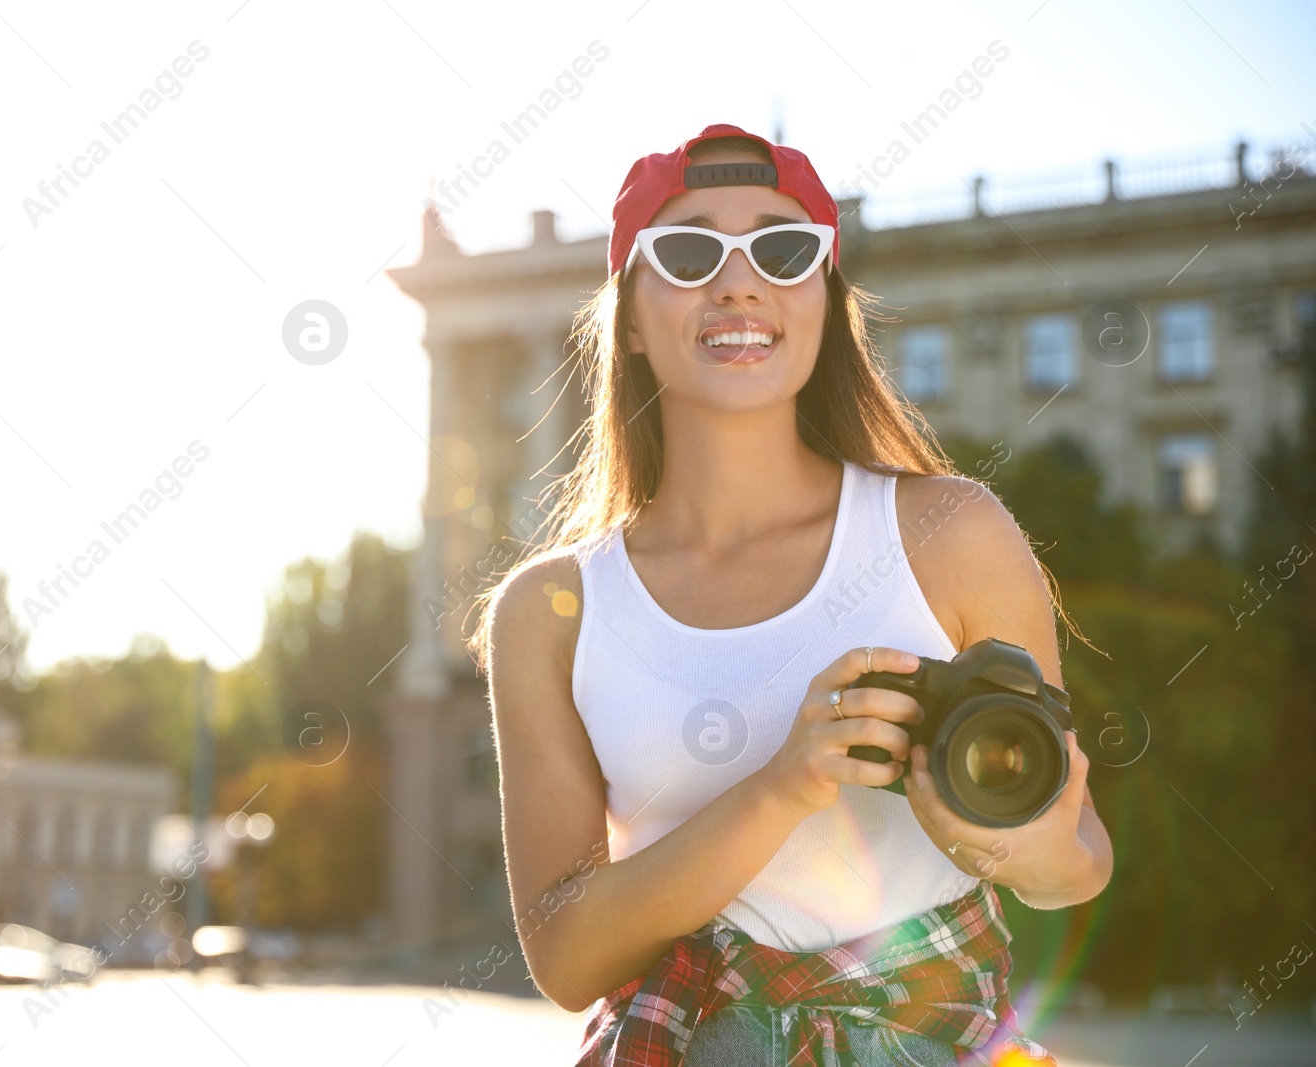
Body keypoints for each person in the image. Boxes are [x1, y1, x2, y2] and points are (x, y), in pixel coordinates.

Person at [468, 124, 1113, 1066]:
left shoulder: (950, 532)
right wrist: (783, 787)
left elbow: (1078, 868)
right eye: (688, 252)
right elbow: (567, 958)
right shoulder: (549, 610)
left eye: (783, 247)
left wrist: (989, 837)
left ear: (823, 300)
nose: (739, 282)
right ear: (633, 319)